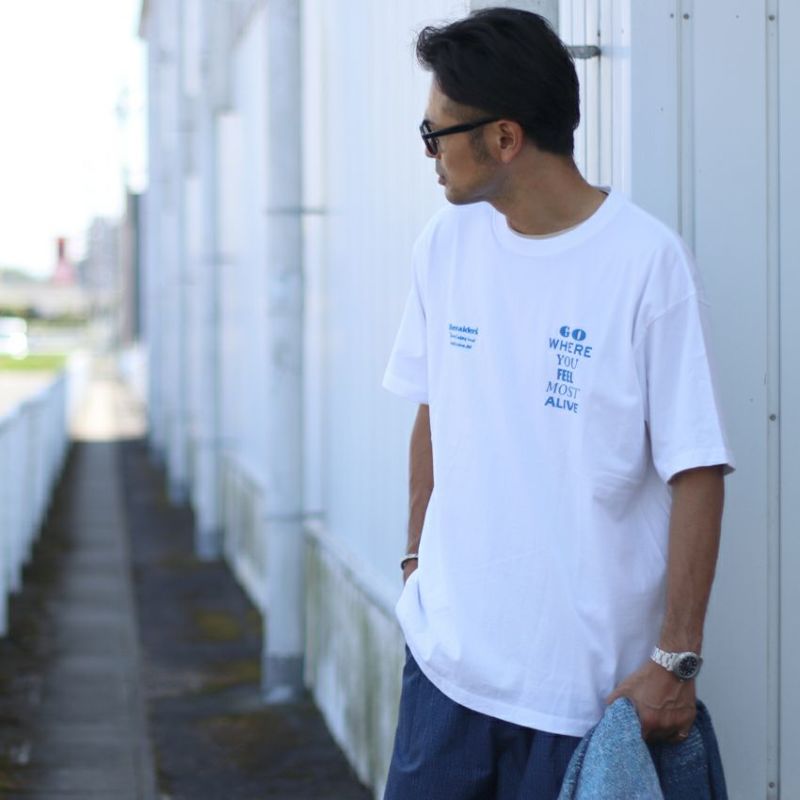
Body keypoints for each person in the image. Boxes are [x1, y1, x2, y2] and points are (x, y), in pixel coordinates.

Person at [381, 7, 734, 799]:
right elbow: (433, 409)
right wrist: (413, 564)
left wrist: (676, 660)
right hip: (445, 677)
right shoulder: (443, 246)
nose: (429, 153)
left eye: (437, 133)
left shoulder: (646, 264)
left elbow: (698, 468)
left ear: (505, 139)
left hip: (584, 699)